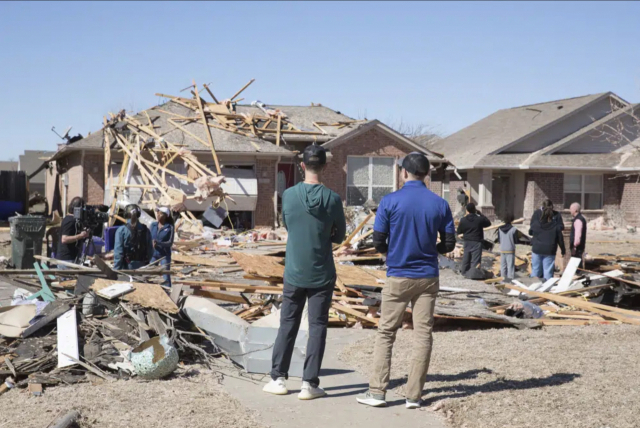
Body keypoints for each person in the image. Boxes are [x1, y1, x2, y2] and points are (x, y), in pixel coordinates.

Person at [356, 152, 456, 409]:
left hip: (398, 274)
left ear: (403, 172)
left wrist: (392, 251)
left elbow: (378, 240)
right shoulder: (440, 204)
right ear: (427, 174)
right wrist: (430, 249)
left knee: (386, 332)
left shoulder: (389, 201)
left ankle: (377, 392)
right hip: (427, 276)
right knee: (423, 334)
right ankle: (414, 396)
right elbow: (449, 244)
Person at [263, 144, 346, 400]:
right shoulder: (332, 199)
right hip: (321, 272)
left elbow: (287, 224)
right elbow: (340, 237)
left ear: (302, 166)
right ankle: (309, 384)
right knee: (318, 326)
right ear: (324, 166)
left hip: (295, 271)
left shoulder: (288, 195)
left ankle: (278, 378)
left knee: (288, 323)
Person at [529, 201, 566, 281]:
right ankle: (546, 289)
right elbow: (560, 237)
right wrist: (563, 250)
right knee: (548, 272)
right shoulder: (555, 225)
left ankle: (532, 289)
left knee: (535, 271)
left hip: (537, 248)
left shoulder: (536, 222)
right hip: (550, 249)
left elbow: (530, 231)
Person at [114, 204, 153, 270]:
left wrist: (116, 269)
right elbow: (150, 251)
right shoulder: (146, 230)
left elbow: (118, 253)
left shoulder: (121, 230)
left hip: (127, 267)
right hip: (143, 267)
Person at [457, 203, 491, 275]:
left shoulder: (463, 220)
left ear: (467, 210)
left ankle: (464, 272)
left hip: (467, 241)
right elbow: (488, 223)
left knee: (466, 258)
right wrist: (481, 214)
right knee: (475, 260)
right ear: (475, 210)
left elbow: (459, 232)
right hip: (477, 242)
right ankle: (474, 273)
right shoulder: (479, 219)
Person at [57, 197, 88, 266]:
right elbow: (64, 239)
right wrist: (81, 236)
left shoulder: (75, 221)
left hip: (73, 257)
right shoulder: (70, 220)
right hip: (66, 259)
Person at [495, 212, 522, 283]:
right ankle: (510, 281)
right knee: (510, 266)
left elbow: (499, 240)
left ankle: (502, 280)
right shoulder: (514, 229)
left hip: (502, 248)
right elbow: (516, 241)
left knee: (503, 266)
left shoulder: (500, 229)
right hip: (510, 249)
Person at [150, 207, 174, 286]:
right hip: (153, 254)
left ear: (165, 216)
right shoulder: (153, 225)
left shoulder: (169, 227)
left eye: (160, 214)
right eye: (158, 213)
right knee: (149, 274)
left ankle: (168, 292)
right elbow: (149, 237)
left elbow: (170, 243)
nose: (158, 215)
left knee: (165, 276)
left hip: (164, 255)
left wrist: (158, 243)